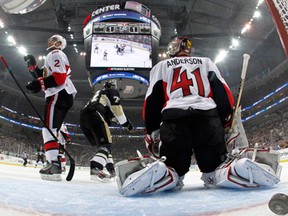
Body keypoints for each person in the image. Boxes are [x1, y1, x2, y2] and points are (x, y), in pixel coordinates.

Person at [115, 36, 281, 196]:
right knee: (213, 166)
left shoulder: (161, 66)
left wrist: (152, 129)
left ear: (175, 48)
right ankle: (229, 172)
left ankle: (169, 175)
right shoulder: (206, 62)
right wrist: (226, 120)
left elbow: (152, 101)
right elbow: (222, 92)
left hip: (174, 119)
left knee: (175, 166)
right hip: (208, 117)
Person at [25, 34, 77, 181]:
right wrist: (33, 66)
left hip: (58, 93)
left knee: (48, 129)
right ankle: (56, 163)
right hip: (63, 94)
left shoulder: (55, 53)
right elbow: (42, 75)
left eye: (55, 40)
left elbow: (58, 78)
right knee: (52, 130)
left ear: (60, 43)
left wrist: (39, 84)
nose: (51, 41)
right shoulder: (55, 55)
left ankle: (54, 165)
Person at [79, 80, 133, 182]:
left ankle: (110, 170)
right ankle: (96, 168)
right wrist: (126, 123)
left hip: (84, 119)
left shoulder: (99, 95)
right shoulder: (111, 91)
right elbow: (117, 109)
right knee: (106, 145)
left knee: (103, 147)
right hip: (95, 115)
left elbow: (111, 116)